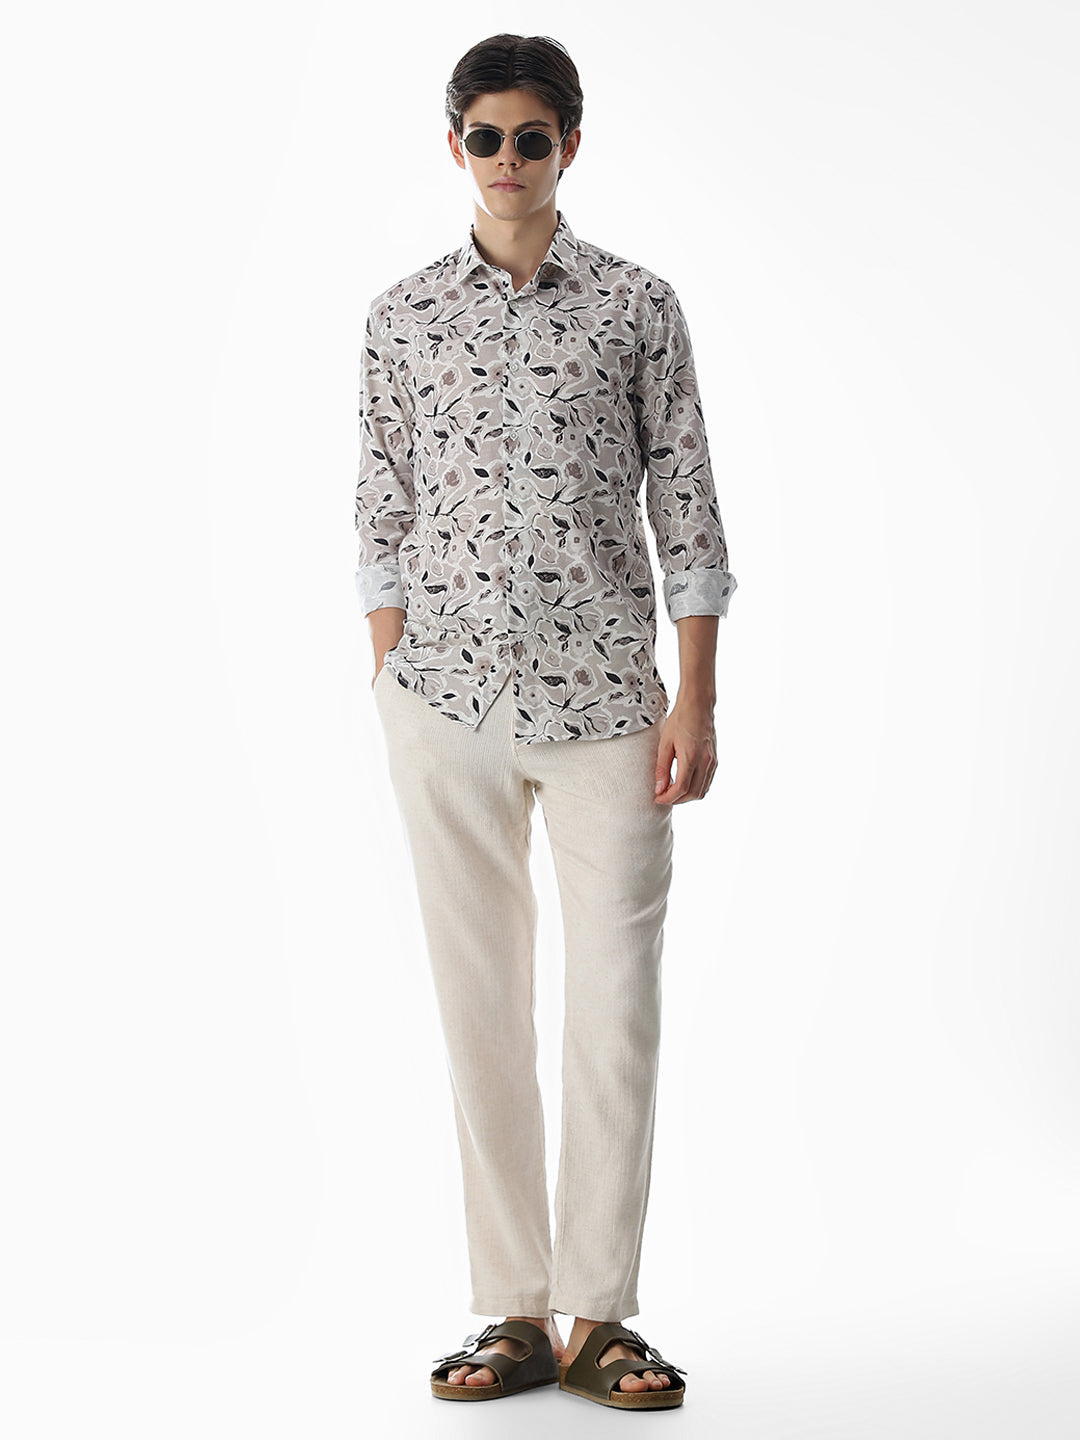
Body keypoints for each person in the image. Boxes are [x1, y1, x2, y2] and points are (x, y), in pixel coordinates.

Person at [354, 33, 737, 1411]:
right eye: (484, 136)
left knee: (614, 1007)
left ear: (570, 144)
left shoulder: (637, 307)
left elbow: (686, 507)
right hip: (444, 706)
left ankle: (602, 1316)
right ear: (453, 144)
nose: (507, 160)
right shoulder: (402, 318)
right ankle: (513, 1311)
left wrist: (696, 693)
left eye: (531, 137)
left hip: (608, 710)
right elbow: (382, 507)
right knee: (481, 1005)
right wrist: (392, 675)